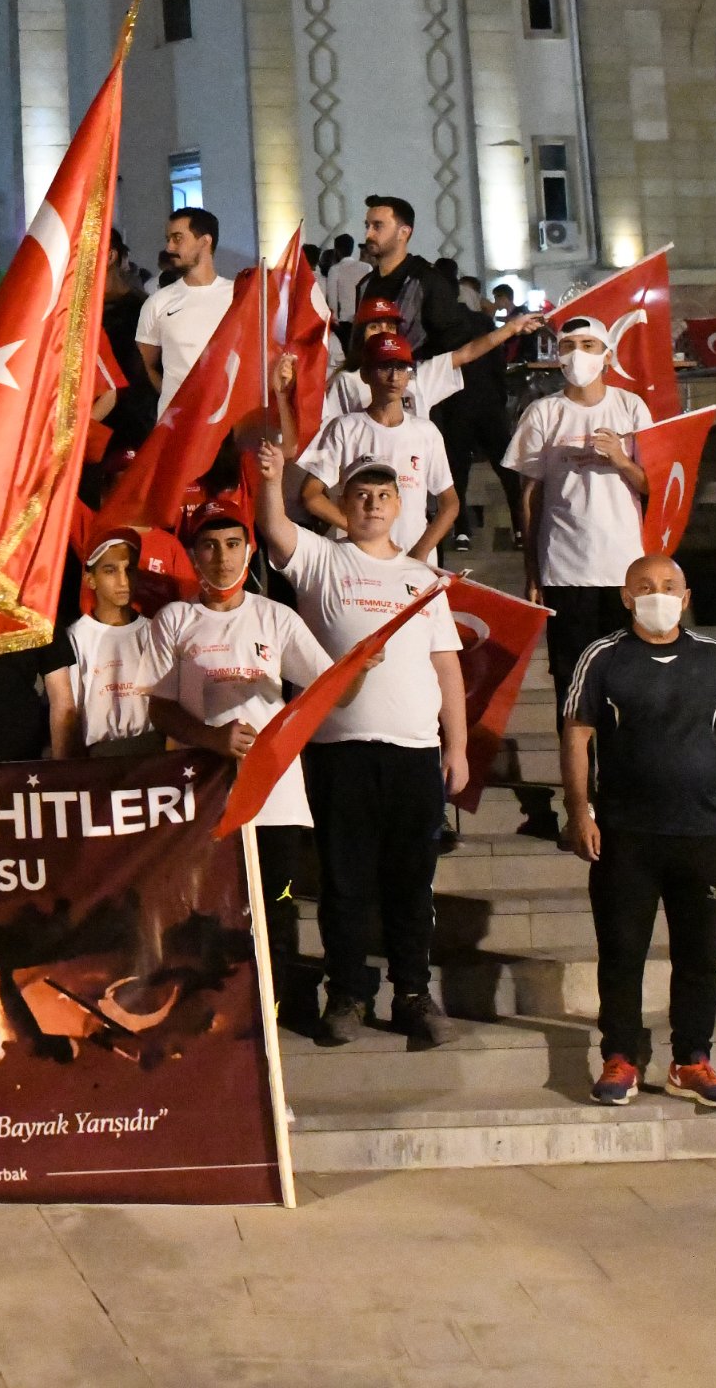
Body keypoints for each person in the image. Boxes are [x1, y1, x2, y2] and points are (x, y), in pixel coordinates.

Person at [253, 440, 467, 1049]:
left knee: (410, 882)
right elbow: (275, 528)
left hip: (415, 751)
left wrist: (458, 747)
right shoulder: (323, 559)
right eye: (361, 495)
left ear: (402, 506)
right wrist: (272, 480)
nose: (372, 504)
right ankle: (346, 993)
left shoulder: (425, 578)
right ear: (343, 504)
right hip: (339, 748)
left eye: (383, 495)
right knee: (344, 882)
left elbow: (446, 666)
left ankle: (412, 994)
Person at [562, 553, 716, 1111]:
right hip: (625, 835)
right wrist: (580, 812)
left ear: (686, 596)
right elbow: (577, 736)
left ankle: (691, 1059)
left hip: (700, 836)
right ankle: (621, 1058)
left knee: (700, 955)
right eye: (644, 586)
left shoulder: (714, 658)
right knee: (622, 952)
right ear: (626, 596)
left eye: (668, 586)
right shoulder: (602, 657)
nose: (657, 593)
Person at [146, 500, 335, 1026]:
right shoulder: (176, 620)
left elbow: (332, 689)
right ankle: (219, 1016)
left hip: (275, 795)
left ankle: (281, 1011)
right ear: (192, 555)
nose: (223, 557)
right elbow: (158, 707)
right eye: (209, 546)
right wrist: (210, 738)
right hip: (204, 795)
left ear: (250, 551)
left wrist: (362, 662)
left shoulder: (276, 617)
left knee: (277, 904)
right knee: (207, 910)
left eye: (233, 545)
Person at [506, 313, 654, 682]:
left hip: (623, 566)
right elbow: (530, 495)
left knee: (625, 680)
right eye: (568, 347)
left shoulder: (630, 407)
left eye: (588, 346)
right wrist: (532, 570)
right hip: (565, 569)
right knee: (573, 681)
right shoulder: (542, 412)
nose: (577, 355)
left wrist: (620, 458)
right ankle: (575, 743)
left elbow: (654, 485)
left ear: (607, 355)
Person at [298, 333, 459, 557]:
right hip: (360, 557)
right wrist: (357, 529)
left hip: (414, 559)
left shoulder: (426, 432)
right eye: (384, 367)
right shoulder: (344, 427)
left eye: (401, 368)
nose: (394, 377)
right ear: (365, 374)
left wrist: (420, 553)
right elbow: (311, 494)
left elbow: (449, 502)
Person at [53, 533, 181, 755]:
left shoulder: (157, 632)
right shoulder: (75, 637)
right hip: (100, 760)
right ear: (90, 579)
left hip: (152, 755)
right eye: (110, 571)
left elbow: (173, 706)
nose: (123, 581)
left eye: (129, 569)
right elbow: (68, 713)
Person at [335, 196, 481, 351]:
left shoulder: (426, 280)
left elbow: (455, 340)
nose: (368, 234)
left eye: (377, 226)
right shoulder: (366, 284)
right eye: (367, 226)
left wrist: (413, 366)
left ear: (403, 232)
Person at [138, 207, 234, 414]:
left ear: (205, 241)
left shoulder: (239, 296)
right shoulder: (158, 302)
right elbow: (143, 364)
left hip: (228, 425)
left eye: (177, 238)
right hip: (176, 427)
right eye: (168, 239)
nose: (169, 247)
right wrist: (172, 397)